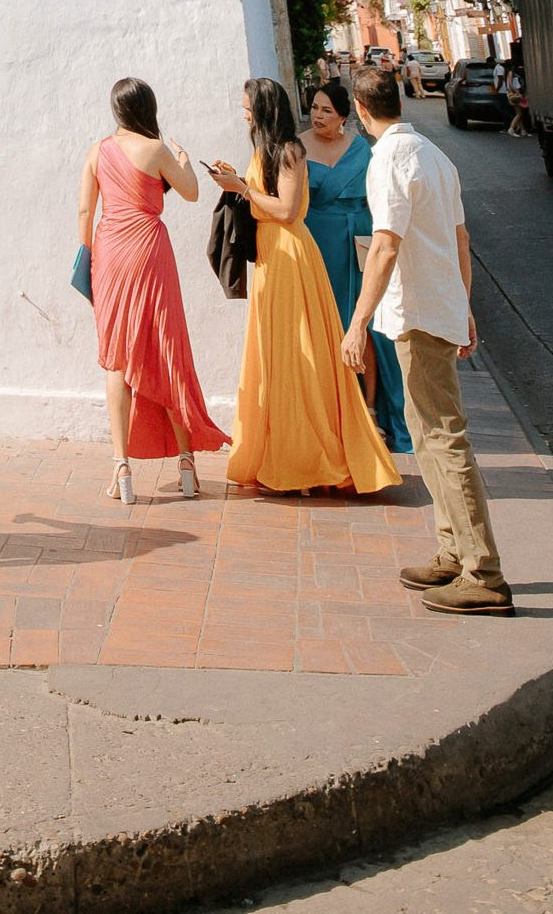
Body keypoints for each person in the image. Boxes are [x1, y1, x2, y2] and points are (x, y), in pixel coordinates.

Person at [340, 67, 512, 614]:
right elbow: (460, 239)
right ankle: (452, 552)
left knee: (441, 436)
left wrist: (357, 321)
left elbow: (386, 244)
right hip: (435, 307)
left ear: (361, 113)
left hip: (418, 312)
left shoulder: (387, 159)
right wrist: (463, 306)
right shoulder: (436, 155)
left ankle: (483, 571)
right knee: (428, 431)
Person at [208, 78, 399, 498]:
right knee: (278, 355)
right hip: (272, 261)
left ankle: (312, 458)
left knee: (302, 354)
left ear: (262, 109)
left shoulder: (291, 152)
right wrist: (236, 181)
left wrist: (242, 188)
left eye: (246, 107)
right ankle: (282, 454)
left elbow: (288, 210)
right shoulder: (266, 152)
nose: (242, 114)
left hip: (292, 258)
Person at [79, 76, 227, 504]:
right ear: (148, 108)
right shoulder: (157, 150)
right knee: (167, 348)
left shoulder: (98, 151)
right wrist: (181, 158)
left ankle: (120, 466)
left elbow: (86, 208)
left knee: (116, 358)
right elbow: (193, 192)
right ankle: (185, 463)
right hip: (150, 248)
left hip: (110, 251)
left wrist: (86, 255)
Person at [302, 81, 411, 454]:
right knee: (326, 325)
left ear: (345, 117)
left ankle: (371, 411)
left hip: (360, 241)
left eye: (326, 110)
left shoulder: (362, 148)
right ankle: (331, 413)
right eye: (314, 108)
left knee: (364, 326)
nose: (318, 116)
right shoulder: (299, 147)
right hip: (318, 242)